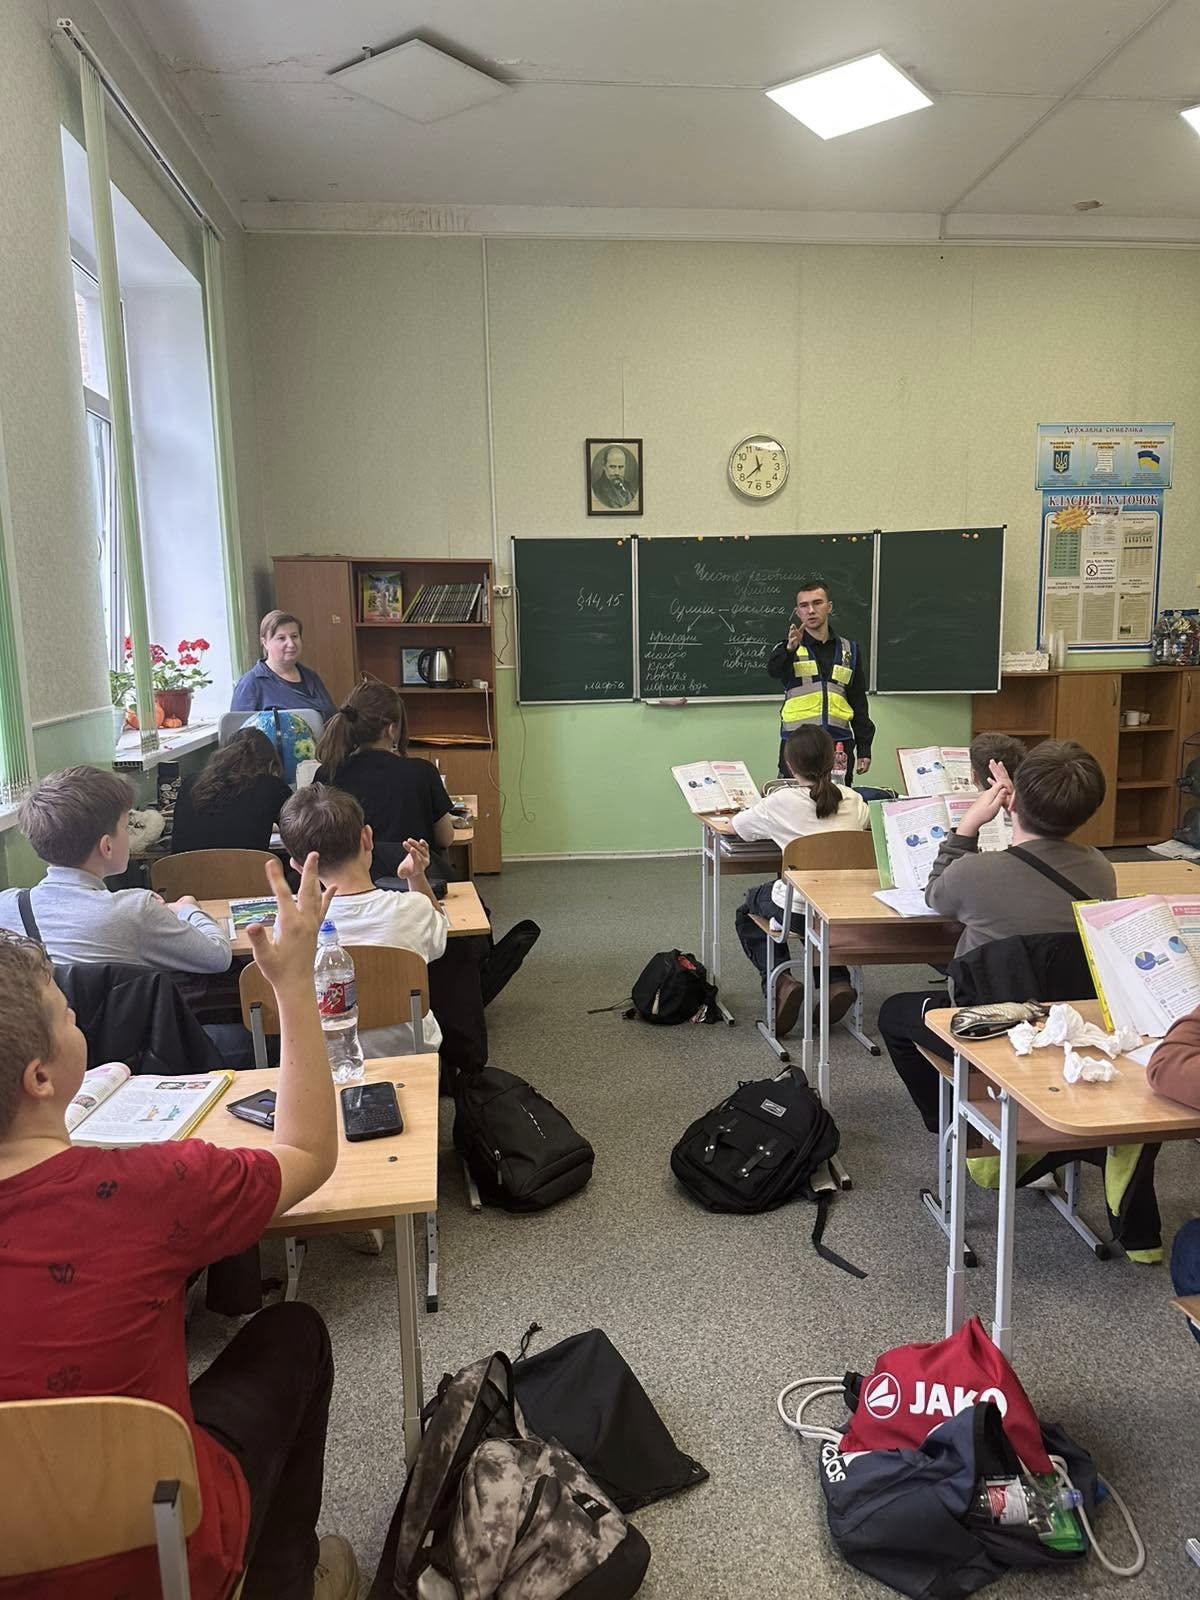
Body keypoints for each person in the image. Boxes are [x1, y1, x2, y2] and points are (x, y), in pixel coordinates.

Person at [0, 855, 360, 1599]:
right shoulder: (147, 1189)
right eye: (67, 1011)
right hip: (159, 1556)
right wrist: (294, 985)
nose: (77, 1016)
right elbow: (308, 1154)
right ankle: (287, 1582)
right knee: (294, 1334)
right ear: (40, 1078)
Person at [878, 741, 1115, 1128]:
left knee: (893, 1013)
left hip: (985, 1026)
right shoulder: (1101, 869)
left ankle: (952, 1124)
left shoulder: (975, 873)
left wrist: (967, 827)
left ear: (1013, 800)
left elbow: (935, 895)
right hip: (1063, 1022)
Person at [0, 767, 231, 978]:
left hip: (45, 1013)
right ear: (107, 847)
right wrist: (188, 908)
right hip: (128, 1014)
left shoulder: (6, 906)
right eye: (125, 826)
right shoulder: (136, 909)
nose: (129, 834)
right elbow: (218, 956)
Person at [278, 785, 446, 1056]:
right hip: (411, 1058)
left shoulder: (290, 926)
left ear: (298, 866)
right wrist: (416, 877)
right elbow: (440, 939)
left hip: (323, 1064)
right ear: (367, 838)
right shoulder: (414, 908)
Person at [732, 726, 870, 1036]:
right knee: (816, 919)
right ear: (833, 761)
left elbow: (738, 827)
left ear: (790, 765)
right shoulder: (854, 799)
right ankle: (836, 981)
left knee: (749, 908)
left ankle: (781, 982)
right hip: (841, 908)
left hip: (796, 909)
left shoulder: (780, 802)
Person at [314, 681, 455, 869]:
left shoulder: (327, 774)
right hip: (414, 880)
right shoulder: (422, 772)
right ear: (391, 730)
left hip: (348, 882)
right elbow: (445, 838)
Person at [766, 575, 874, 779]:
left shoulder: (849, 650)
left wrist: (864, 748)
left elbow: (858, 701)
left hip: (838, 745)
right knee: (796, 799)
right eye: (804, 606)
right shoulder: (788, 648)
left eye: (817, 603)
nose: (811, 610)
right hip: (798, 745)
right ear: (798, 612)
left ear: (829, 607)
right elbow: (774, 671)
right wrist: (789, 649)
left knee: (838, 799)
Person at [171, 728, 292, 855]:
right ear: (271, 764)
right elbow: (299, 831)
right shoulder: (272, 787)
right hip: (247, 867)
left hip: (185, 867)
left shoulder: (190, 784)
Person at [231, 610, 337, 720]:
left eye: (294, 636)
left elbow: (333, 718)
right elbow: (238, 729)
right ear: (265, 642)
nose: (291, 644)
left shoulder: (311, 677)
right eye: (281, 638)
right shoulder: (250, 684)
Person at [591, 445, 638, 510]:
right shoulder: (597, 490)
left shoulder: (630, 488)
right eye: (612, 467)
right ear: (604, 466)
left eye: (621, 467)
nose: (617, 472)